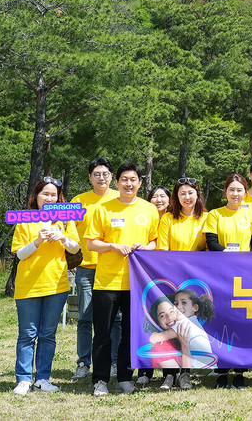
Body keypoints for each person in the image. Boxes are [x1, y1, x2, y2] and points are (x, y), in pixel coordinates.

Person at [84, 162, 159, 396]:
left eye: (133, 179)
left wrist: (145, 247)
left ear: (140, 182)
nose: (129, 183)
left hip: (136, 283)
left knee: (130, 333)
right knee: (103, 334)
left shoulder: (149, 209)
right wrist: (112, 246)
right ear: (116, 183)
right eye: (124, 179)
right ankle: (100, 380)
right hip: (106, 282)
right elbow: (91, 242)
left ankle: (125, 378)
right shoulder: (103, 209)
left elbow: (155, 241)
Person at [11, 177, 81, 395]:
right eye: (45, 194)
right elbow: (20, 254)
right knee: (27, 334)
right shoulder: (25, 219)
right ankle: (23, 379)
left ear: (59, 199)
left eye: (54, 195)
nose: (49, 198)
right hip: (28, 285)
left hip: (57, 285)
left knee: (48, 334)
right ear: (36, 196)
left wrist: (62, 238)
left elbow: (75, 248)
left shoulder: (65, 219)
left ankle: (42, 378)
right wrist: (37, 241)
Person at [203, 173, 252, 389]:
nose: (235, 194)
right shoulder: (214, 214)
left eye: (239, 190)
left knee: (242, 322)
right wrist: (230, 254)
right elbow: (211, 241)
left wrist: (247, 258)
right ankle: (221, 372)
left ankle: (239, 372)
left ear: (245, 193)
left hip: (245, 276)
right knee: (220, 321)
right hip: (220, 275)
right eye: (231, 190)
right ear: (225, 192)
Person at [155, 177, 208, 390]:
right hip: (171, 280)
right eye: (182, 193)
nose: (187, 197)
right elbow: (163, 249)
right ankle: (169, 374)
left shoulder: (207, 217)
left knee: (186, 329)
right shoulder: (168, 218)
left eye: (191, 193)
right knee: (170, 326)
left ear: (198, 195)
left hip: (195, 282)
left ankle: (185, 373)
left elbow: (209, 248)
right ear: (176, 197)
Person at [70, 157, 120, 382]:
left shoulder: (121, 199)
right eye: (97, 174)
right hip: (87, 269)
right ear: (90, 177)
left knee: (115, 318)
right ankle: (83, 362)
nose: (102, 177)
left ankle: (114, 361)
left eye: (106, 174)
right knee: (85, 317)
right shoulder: (78, 201)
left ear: (112, 177)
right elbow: (67, 230)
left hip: (115, 269)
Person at [136, 184, 172, 386]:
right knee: (147, 322)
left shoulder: (172, 219)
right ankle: (145, 370)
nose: (159, 200)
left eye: (163, 196)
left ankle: (170, 371)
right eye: (154, 196)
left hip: (169, 278)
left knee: (169, 323)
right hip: (145, 277)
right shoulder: (142, 217)